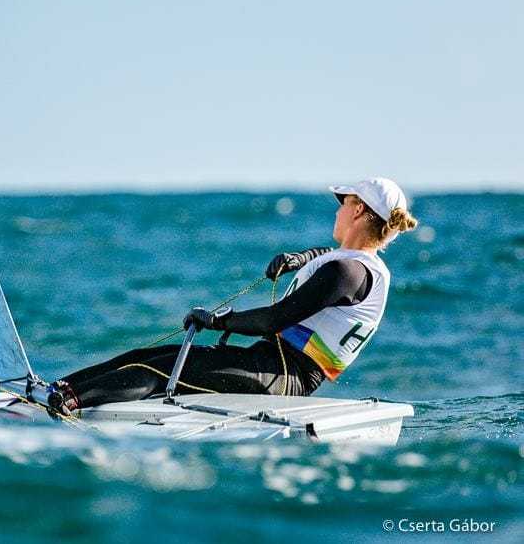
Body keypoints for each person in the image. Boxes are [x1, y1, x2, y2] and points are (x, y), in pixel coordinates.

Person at [46, 178, 419, 416]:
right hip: (271, 365)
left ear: (358, 209)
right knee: (144, 356)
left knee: (158, 371)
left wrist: (217, 320)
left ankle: (66, 403)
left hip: (280, 375)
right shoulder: (359, 266)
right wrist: (300, 258)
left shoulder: (348, 272)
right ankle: (58, 387)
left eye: (343, 202)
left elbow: (274, 320)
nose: (338, 210)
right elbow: (328, 257)